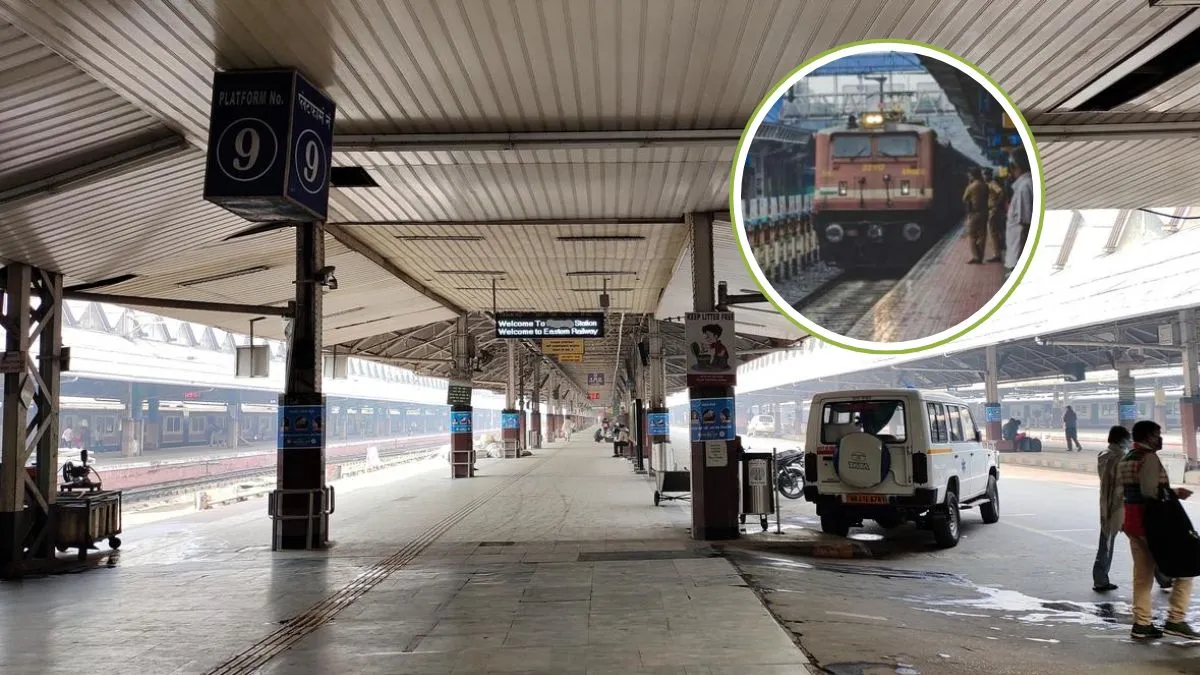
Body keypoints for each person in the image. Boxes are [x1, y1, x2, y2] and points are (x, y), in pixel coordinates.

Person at [1119, 420, 1198, 639]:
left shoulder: (1127, 458)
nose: (1159, 438)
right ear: (1147, 437)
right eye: (1156, 434)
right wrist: (1175, 493)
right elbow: (1150, 491)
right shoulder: (1149, 457)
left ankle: (1142, 623)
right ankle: (1176, 620)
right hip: (1154, 524)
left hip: (1132, 522)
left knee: (1142, 576)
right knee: (1186, 568)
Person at [1094, 425, 1130, 592]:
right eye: (1127, 439)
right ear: (1121, 441)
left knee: (1105, 542)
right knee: (1145, 542)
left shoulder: (1103, 455)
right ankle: (1163, 577)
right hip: (1121, 505)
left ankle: (1100, 579)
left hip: (1106, 504)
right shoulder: (1120, 458)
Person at [1003, 150, 1034, 275]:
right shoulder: (1025, 185)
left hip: (1018, 259)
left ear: (1016, 166)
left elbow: (1026, 226)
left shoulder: (1024, 187)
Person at [962, 167, 989, 264]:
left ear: (972, 175)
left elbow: (964, 198)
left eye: (969, 174)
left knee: (972, 235)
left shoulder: (971, 186)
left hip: (974, 213)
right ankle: (981, 257)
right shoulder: (985, 185)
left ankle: (975, 256)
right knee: (982, 235)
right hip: (984, 212)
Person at [985, 168, 1006, 263]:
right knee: (995, 232)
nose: (984, 176)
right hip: (993, 209)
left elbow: (1001, 192)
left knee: (993, 232)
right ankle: (998, 252)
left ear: (989, 175)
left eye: (985, 174)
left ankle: (997, 254)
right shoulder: (989, 184)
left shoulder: (992, 183)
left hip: (993, 210)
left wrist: (996, 203)